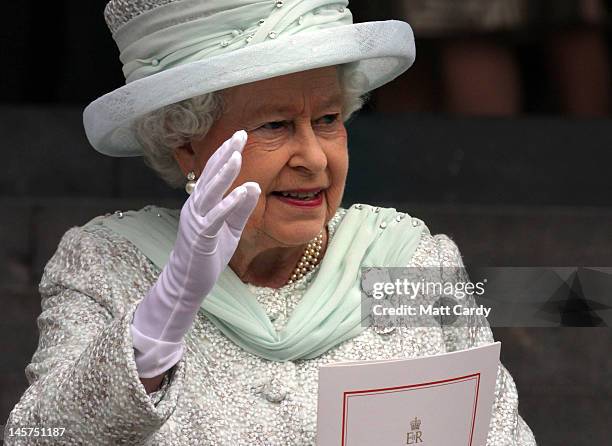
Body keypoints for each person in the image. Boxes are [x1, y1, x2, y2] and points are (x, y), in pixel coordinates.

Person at [4, 0, 536, 444]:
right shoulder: (108, 263)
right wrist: (159, 322)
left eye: (327, 120)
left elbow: (501, 436)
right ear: (186, 144)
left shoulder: (409, 260)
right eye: (276, 125)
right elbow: (38, 436)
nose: (315, 158)